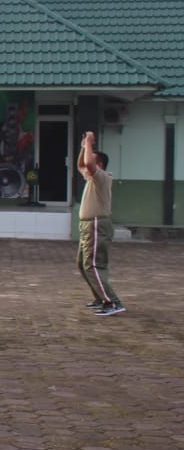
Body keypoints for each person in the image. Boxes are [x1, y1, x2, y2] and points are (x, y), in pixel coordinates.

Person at [77, 131, 126, 316]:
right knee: (82, 264)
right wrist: (84, 147)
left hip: (97, 225)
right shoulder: (92, 177)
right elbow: (81, 164)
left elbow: (88, 164)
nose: (88, 159)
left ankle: (113, 302)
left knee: (93, 265)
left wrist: (89, 142)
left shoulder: (102, 177)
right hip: (88, 226)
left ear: (100, 164)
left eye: (92, 157)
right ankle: (100, 297)